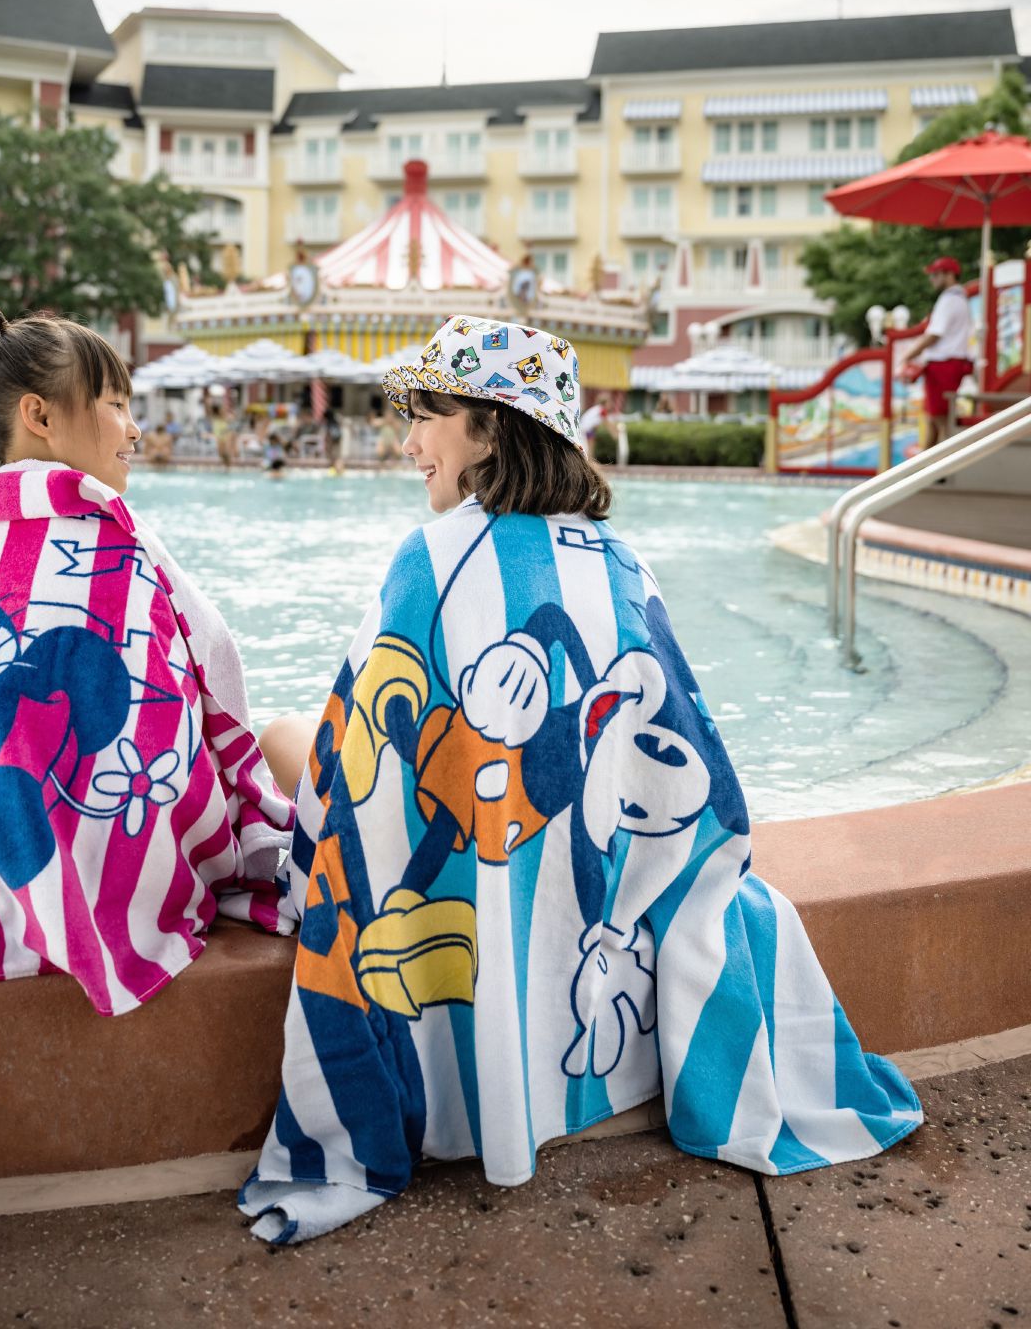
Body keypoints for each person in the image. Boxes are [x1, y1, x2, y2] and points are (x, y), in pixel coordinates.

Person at [239, 315, 922, 1244]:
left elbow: (352, 777)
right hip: (587, 913)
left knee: (275, 731)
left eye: (427, 416)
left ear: (487, 428)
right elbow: (698, 771)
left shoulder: (431, 556)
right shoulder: (623, 562)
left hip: (462, 883)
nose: (409, 442)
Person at [0, 307, 307, 1015]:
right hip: (124, 884)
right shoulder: (116, 542)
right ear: (40, 416)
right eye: (116, 404)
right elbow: (214, 688)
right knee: (289, 735)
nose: (134, 428)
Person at [900, 257, 974, 446]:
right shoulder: (960, 299)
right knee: (935, 418)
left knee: (940, 418)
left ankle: (948, 466)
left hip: (943, 365)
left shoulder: (949, 300)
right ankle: (928, 465)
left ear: (949, 275)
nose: (932, 279)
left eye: (935, 274)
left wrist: (909, 354)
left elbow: (934, 334)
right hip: (951, 363)